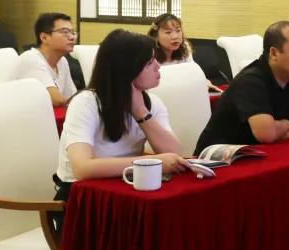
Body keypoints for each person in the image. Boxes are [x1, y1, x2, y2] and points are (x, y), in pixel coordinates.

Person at [54, 29, 190, 225]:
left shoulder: (151, 103)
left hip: (125, 192)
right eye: (149, 63)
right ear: (127, 70)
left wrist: (141, 113)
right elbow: (82, 169)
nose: (158, 66)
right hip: (82, 202)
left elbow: (174, 153)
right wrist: (150, 163)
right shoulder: (87, 103)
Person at [195, 21, 289, 153]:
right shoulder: (251, 80)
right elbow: (267, 134)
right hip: (220, 157)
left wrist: (287, 132)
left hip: (260, 151)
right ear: (274, 53)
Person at [13, 12, 78, 106]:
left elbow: (72, 97)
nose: (72, 37)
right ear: (44, 37)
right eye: (64, 32)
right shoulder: (31, 59)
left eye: (72, 32)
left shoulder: (62, 61)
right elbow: (57, 100)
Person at [147, 13, 221, 92]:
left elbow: (193, 73)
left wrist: (205, 83)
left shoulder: (185, 48)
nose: (175, 36)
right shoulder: (148, 53)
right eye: (168, 32)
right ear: (156, 36)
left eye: (178, 30)